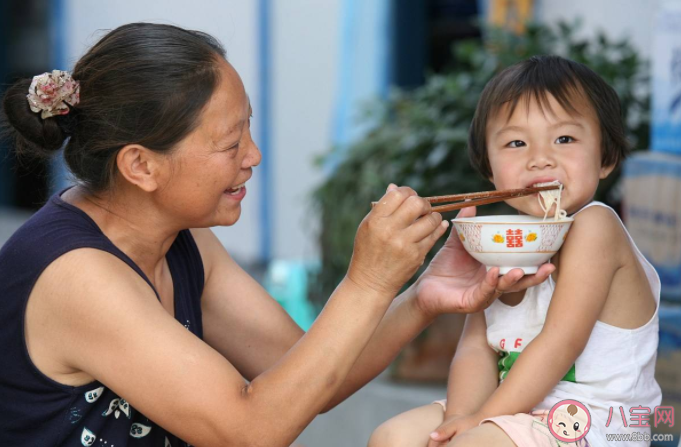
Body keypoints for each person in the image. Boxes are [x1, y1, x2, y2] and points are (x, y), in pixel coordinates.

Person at [0, 23, 554, 447]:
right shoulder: (78, 276)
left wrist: (420, 298)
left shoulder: (180, 240)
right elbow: (251, 429)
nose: (253, 157)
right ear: (141, 166)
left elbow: (304, 377)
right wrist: (365, 280)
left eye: (249, 130)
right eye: (228, 144)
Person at [369, 55, 661, 447]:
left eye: (564, 139)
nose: (540, 157)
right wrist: (459, 417)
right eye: (516, 142)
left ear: (605, 157)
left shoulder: (596, 227)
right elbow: (477, 347)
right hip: (513, 408)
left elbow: (561, 340)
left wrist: (480, 421)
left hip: (595, 417)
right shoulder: (502, 239)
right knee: (392, 438)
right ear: (490, 169)